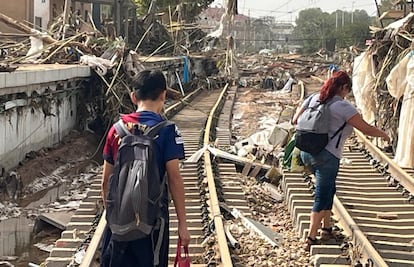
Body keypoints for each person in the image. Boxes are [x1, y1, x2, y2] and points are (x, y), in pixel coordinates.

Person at [100, 70, 191, 266]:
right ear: (163, 95)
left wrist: (114, 216)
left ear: (134, 96)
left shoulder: (116, 130)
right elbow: (175, 180)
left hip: (119, 223)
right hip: (153, 223)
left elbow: (106, 181)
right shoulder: (167, 130)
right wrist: (183, 226)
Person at [292, 70, 390, 250]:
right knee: (322, 195)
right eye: (348, 90)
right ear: (344, 87)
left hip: (306, 153)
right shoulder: (343, 107)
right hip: (327, 157)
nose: (347, 94)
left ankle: (326, 227)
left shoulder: (314, 98)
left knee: (329, 189)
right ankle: (311, 238)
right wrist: (383, 135)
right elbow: (365, 129)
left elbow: (294, 120)